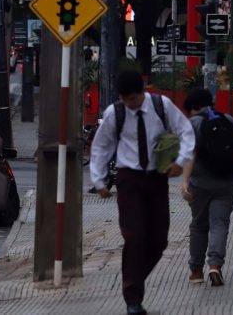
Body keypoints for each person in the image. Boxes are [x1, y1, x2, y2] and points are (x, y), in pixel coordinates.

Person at [89, 70, 195, 315]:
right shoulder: (115, 113)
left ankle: (133, 278)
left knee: (158, 240)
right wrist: (99, 180)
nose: (129, 104)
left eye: (133, 99)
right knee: (134, 236)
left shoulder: (161, 105)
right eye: (124, 99)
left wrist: (180, 161)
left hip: (156, 178)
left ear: (142, 92)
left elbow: (186, 131)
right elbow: (101, 147)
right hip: (129, 179)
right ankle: (133, 298)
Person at [183, 88, 233, 286]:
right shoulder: (228, 119)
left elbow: (189, 154)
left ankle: (196, 271)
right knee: (219, 223)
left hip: (200, 184)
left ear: (192, 107)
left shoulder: (193, 123)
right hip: (227, 183)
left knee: (199, 225)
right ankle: (215, 265)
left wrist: (185, 182)